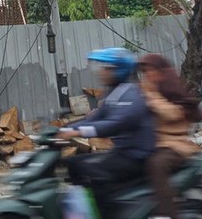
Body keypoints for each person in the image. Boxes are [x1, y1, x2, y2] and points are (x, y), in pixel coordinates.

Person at [56, 47, 155, 209]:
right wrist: (64, 129)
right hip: (122, 153)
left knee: (94, 171)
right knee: (73, 163)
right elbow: (95, 118)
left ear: (120, 71)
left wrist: (79, 131)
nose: (102, 72)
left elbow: (114, 124)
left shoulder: (131, 94)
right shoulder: (113, 93)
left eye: (107, 69)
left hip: (136, 157)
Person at [138, 53, 202, 219]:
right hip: (155, 143)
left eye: (150, 70)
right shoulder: (149, 90)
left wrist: (151, 95)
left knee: (156, 164)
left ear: (161, 72)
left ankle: (166, 213)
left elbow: (172, 114)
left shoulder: (172, 92)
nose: (147, 75)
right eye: (144, 71)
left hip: (175, 146)